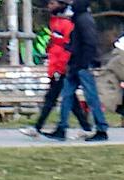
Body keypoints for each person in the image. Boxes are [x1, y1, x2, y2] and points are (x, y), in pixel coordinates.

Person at [45, 0, 108, 140]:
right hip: (76, 64)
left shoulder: (83, 19)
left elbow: (89, 43)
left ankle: (101, 129)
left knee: (90, 97)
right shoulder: (80, 18)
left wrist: (83, 62)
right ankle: (62, 127)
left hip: (81, 65)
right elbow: (78, 43)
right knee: (67, 95)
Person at [28, 4, 94, 135]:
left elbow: (66, 49)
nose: (48, 6)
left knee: (51, 98)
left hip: (62, 67)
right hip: (57, 67)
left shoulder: (66, 25)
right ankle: (85, 127)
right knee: (70, 99)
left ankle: (38, 127)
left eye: (52, 3)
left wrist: (61, 67)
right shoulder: (55, 23)